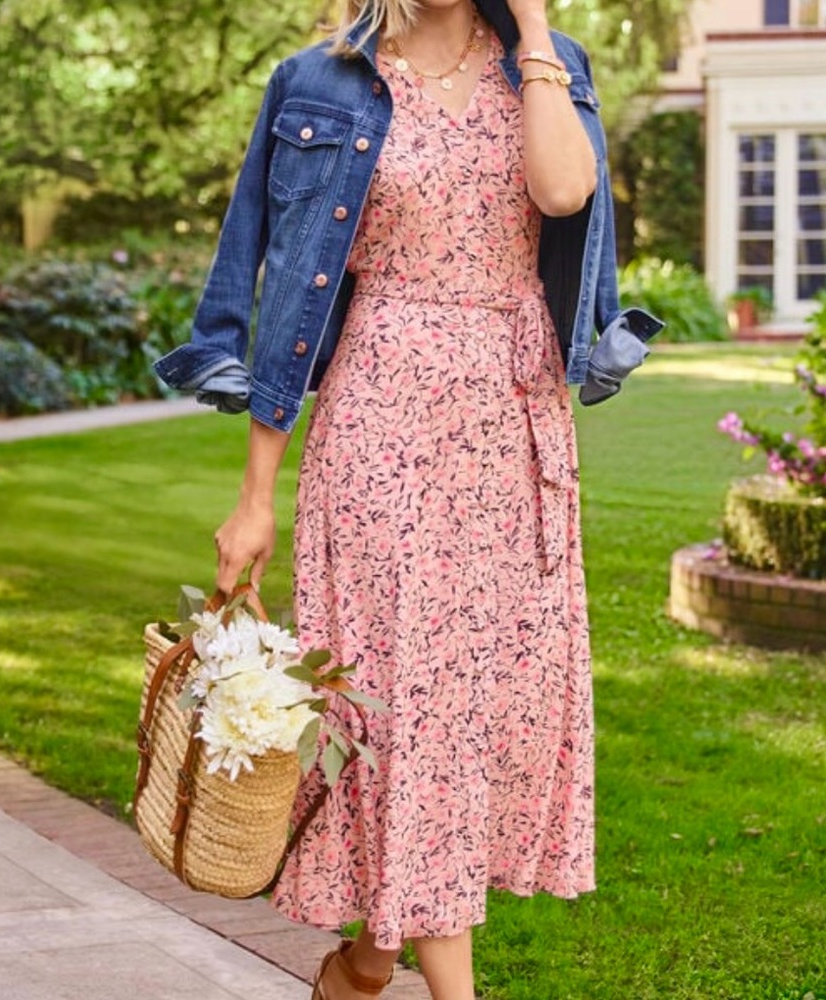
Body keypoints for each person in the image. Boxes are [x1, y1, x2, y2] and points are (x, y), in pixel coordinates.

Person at [154, 1, 662, 997]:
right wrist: (255, 497)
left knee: (469, 713)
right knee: (407, 712)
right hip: (381, 414)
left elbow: (562, 191)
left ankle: (364, 963)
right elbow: (281, 286)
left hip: (512, 428)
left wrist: (533, 28)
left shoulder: (545, 65)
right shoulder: (317, 81)